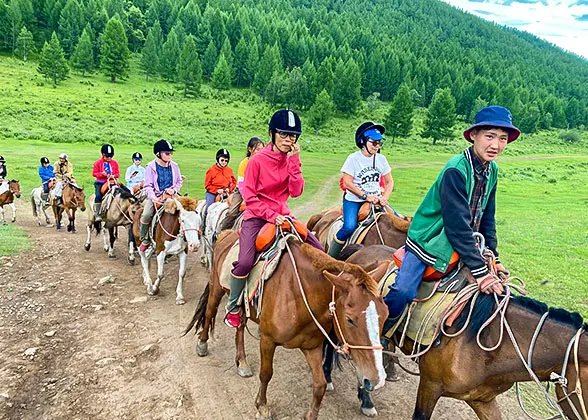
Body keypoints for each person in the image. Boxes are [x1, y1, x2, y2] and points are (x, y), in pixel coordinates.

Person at [383, 106, 520, 322]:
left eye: (503, 139)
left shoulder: (491, 170)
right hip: (431, 239)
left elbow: (487, 217)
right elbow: (456, 225)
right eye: (490, 136)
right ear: (474, 135)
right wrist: (481, 272)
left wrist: (494, 255)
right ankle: (383, 331)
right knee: (404, 291)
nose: (496, 145)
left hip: (466, 240)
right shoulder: (456, 169)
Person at [224, 109, 324, 328]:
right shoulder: (257, 161)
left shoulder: (290, 159)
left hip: (283, 214)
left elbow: (296, 191)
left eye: (293, 136)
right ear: (272, 133)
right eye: (284, 134)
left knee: (319, 251)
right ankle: (232, 306)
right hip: (257, 216)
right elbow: (249, 196)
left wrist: (295, 161)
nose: (289, 140)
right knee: (244, 262)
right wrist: (271, 215)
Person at [327, 122, 394, 258]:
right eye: (374, 143)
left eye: (380, 143)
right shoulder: (353, 159)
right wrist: (365, 196)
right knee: (349, 227)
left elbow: (389, 181)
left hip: (376, 200)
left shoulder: (381, 159)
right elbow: (347, 183)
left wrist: (385, 197)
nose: (377, 146)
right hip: (354, 200)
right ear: (363, 141)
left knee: (398, 221)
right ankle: (329, 257)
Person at [139, 139, 183, 253]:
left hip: (172, 195)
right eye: (167, 153)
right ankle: (145, 239)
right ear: (159, 154)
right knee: (146, 214)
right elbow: (148, 185)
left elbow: (179, 181)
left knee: (186, 211)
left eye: (170, 153)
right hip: (157, 196)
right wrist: (153, 197)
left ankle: (184, 238)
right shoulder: (150, 167)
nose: (170, 156)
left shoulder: (174, 166)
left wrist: (174, 190)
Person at [219, 137, 265, 231]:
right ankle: (220, 232)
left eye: (262, 150)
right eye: (257, 150)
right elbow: (241, 184)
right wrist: (248, 198)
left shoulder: (264, 163)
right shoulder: (244, 164)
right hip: (242, 192)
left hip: (259, 192)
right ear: (250, 149)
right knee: (232, 212)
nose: (260, 152)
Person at [91, 144, 120, 222]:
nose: (109, 158)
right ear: (103, 155)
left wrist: (113, 175)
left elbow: (118, 173)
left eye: (110, 157)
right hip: (100, 182)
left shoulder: (115, 163)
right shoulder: (97, 163)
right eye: (107, 157)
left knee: (123, 191)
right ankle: (97, 214)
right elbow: (94, 173)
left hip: (112, 181)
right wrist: (101, 174)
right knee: (98, 195)